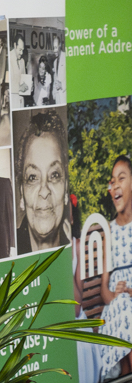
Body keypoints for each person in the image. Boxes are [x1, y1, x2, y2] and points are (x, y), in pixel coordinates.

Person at [15, 109, 69, 253]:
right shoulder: (5, 253)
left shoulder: (76, 250)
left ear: (66, 189)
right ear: (22, 194)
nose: (44, 191)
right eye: (32, 177)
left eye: (54, 175)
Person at [99, 155, 132, 379]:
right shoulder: (109, 232)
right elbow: (104, 290)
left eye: (122, 178)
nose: (116, 185)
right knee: (123, 305)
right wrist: (116, 296)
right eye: (113, 181)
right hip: (115, 311)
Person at [10, 34, 31, 109]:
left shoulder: (22, 61)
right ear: (15, 45)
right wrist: (19, 88)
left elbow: (24, 81)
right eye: (20, 50)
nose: (21, 53)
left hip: (21, 101)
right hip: (13, 101)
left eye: (23, 50)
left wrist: (29, 87)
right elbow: (8, 85)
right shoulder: (9, 59)